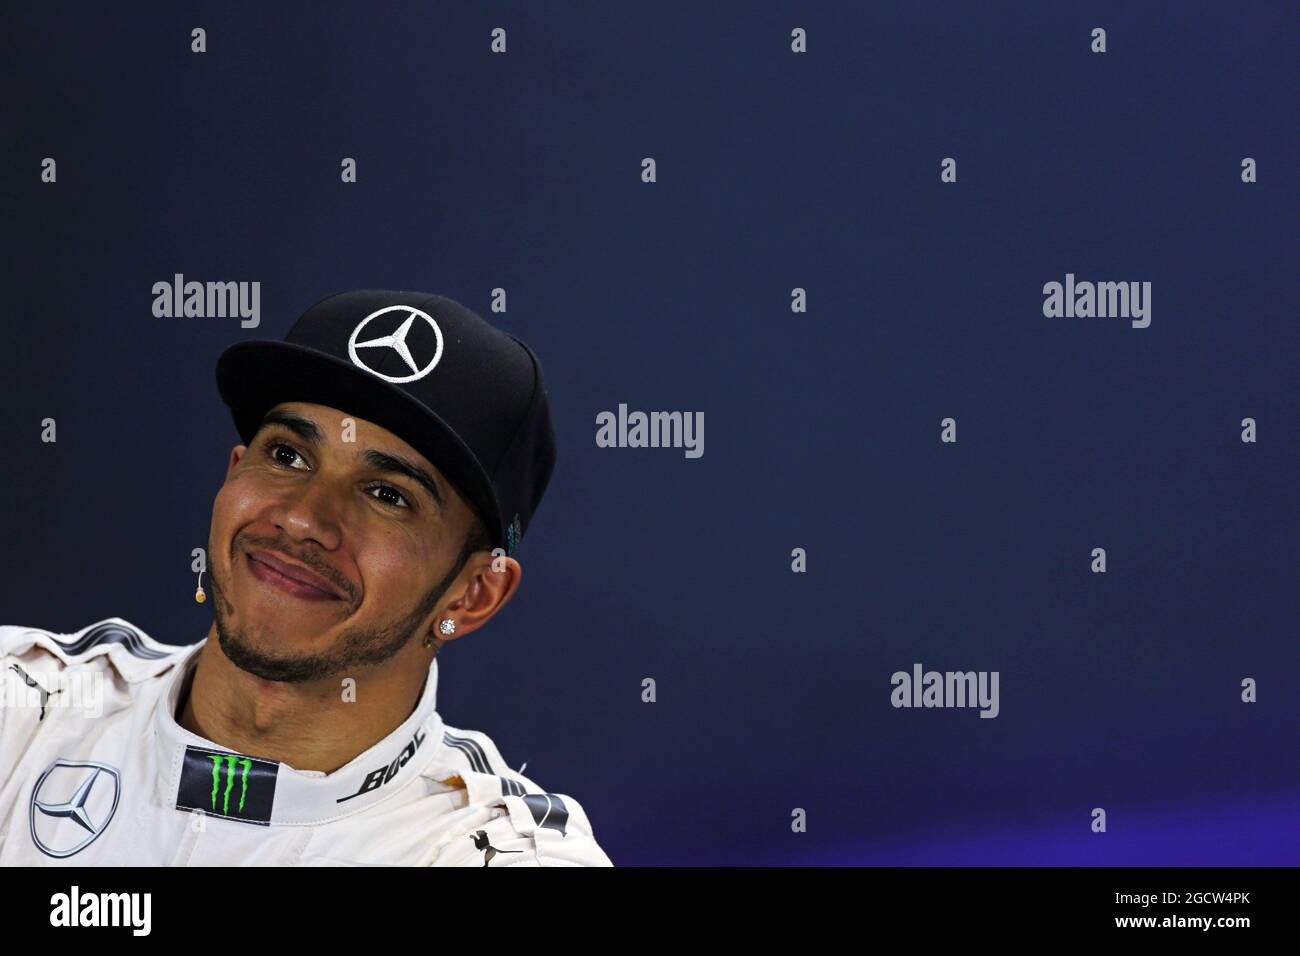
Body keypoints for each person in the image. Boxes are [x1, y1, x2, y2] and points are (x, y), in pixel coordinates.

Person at [0, 289, 613, 866]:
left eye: (386, 495)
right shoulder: (24, 708)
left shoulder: (494, 852)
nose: (301, 519)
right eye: (288, 456)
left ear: (473, 593)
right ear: (233, 475)